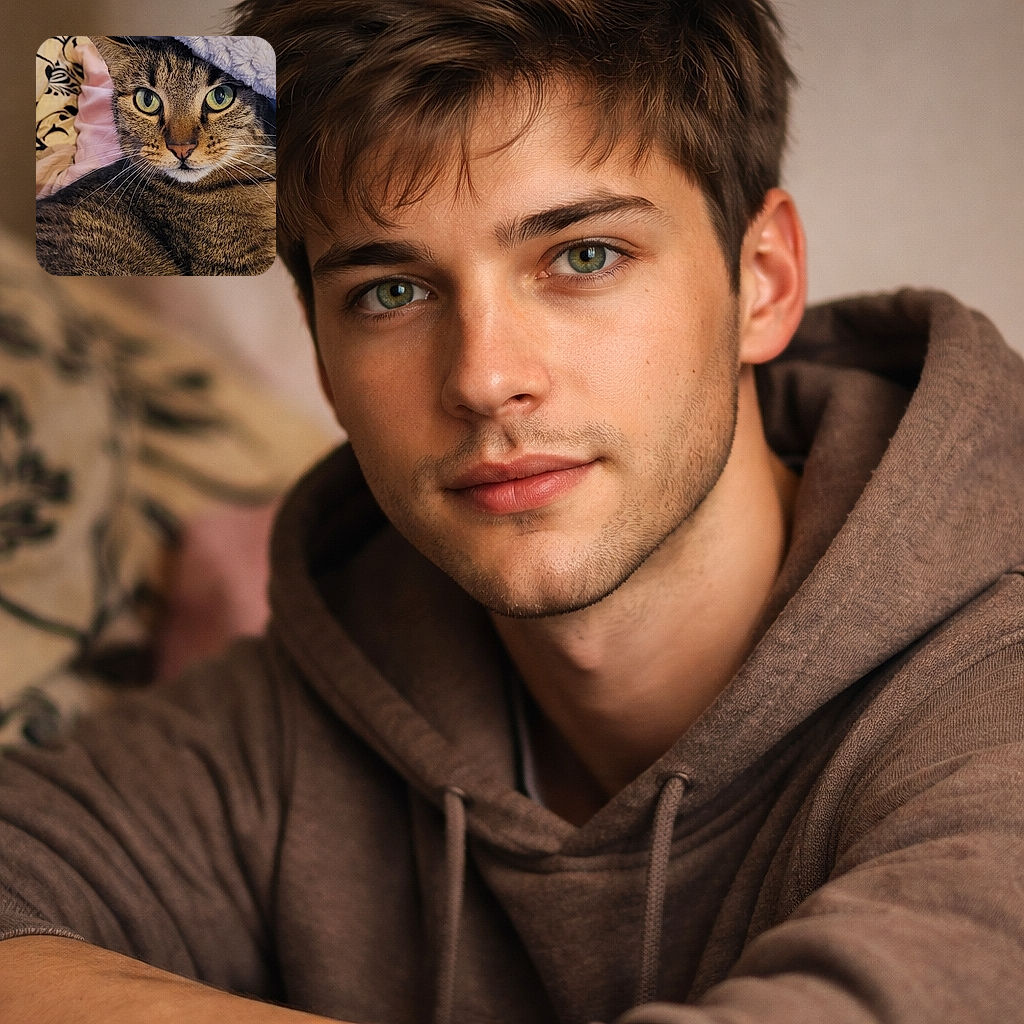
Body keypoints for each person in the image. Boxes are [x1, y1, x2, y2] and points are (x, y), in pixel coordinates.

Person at [2, 1, 1023, 1021]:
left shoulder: (992, 691)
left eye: (583, 257)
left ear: (763, 283)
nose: (485, 380)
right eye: (390, 292)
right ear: (323, 361)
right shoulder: (325, 686)